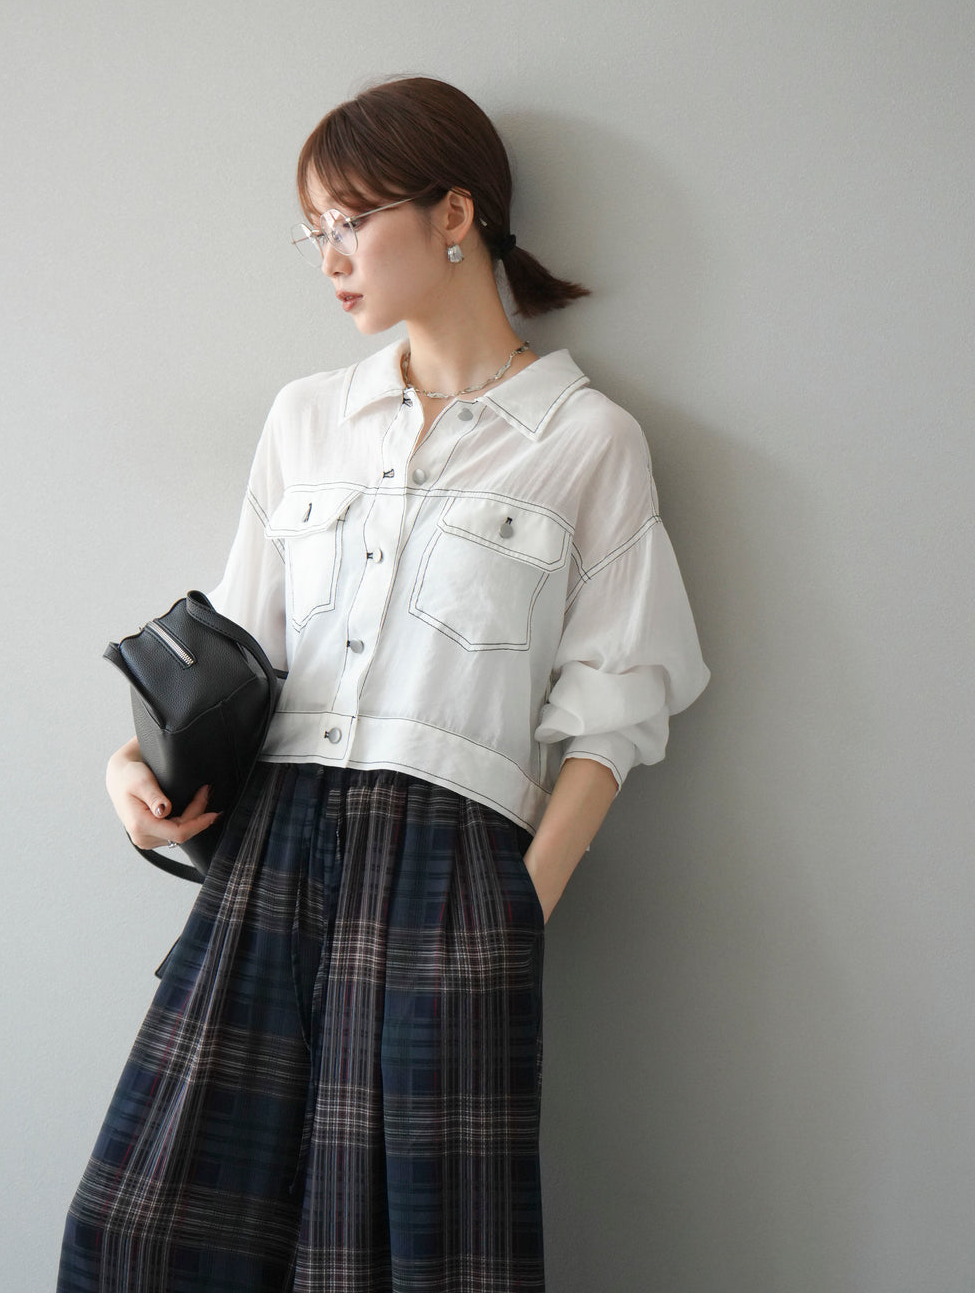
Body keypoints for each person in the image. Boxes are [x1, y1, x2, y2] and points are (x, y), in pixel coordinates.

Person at [57, 76, 709, 1293]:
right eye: (314, 232)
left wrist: (512, 914)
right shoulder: (308, 419)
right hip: (269, 848)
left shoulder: (584, 441)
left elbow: (617, 711)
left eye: (350, 223)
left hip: (449, 872)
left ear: (454, 214)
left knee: (403, 1259)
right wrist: (125, 767)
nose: (330, 260)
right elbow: (239, 651)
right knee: (141, 1234)